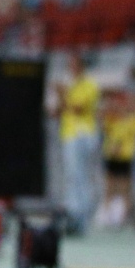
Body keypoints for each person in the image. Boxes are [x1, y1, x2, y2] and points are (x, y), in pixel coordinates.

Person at [55, 53, 100, 234]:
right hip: (70, 133)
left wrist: (63, 94)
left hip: (82, 135)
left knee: (80, 176)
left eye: (73, 63)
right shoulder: (71, 85)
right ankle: (73, 213)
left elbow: (78, 108)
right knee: (73, 176)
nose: (70, 67)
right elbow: (59, 111)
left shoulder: (89, 85)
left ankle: (82, 215)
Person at [97, 90, 135, 229]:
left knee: (124, 188)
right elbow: (100, 120)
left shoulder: (132, 120)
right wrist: (110, 106)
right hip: (111, 156)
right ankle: (107, 214)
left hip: (125, 157)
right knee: (109, 186)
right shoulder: (111, 119)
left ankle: (123, 216)